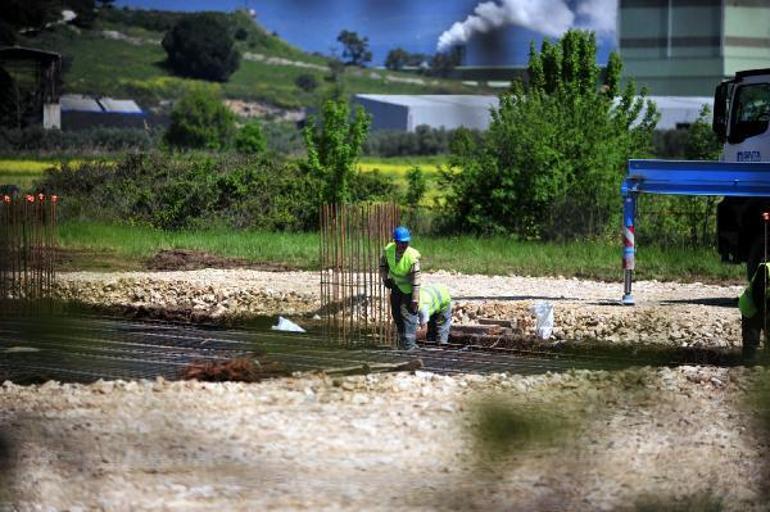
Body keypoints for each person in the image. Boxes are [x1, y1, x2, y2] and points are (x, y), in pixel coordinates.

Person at [380, 225, 421, 350]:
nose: (404, 245)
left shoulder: (412, 257)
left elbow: (416, 280)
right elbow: (383, 265)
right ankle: (403, 342)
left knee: (408, 315)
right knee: (397, 314)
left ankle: (410, 346)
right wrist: (385, 278)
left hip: (409, 290)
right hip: (396, 286)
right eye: (401, 243)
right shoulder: (388, 250)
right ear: (395, 241)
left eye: (406, 242)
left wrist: (415, 298)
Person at [739, 262, 770, 362]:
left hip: (765, 304)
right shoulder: (765, 269)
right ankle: (748, 363)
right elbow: (757, 294)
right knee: (752, 337)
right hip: (751, 306)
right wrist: (765, 315)